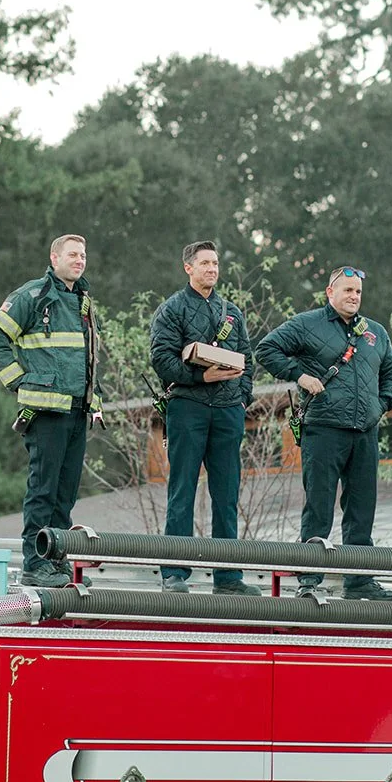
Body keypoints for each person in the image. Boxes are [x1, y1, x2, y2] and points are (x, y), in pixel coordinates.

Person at [255, 265, 392, 600]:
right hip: (323, 429)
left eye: (358, 292)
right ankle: (309, 580)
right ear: (330, 292)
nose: (354, 297)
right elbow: (266, 349)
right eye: (347, 290)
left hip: (364, 432)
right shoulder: (308, 324)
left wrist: (380, 405)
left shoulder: (375, 333)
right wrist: (299, 375)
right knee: (319, 506)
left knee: (362, 508)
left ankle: (360, 580)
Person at [0, 234, 101, 587]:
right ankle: (35, 564)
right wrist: (21, 382)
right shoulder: (31, 296)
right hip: (46, 412)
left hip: (77, 410)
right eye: (72, 255)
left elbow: (86, 356)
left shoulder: (82, 300)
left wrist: (94, 397)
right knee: (43, 491)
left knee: (66, 494)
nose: (79, 261)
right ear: (54, 257)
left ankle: (57, 561)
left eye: (83, 255)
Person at [149, 241, 259, 595]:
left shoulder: (232, 312)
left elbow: (247, 358)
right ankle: (175, 573)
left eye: (215, 263)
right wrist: (200, 377)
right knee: (182, 490)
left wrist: (242, 400)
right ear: (188, 268)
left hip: (228, 411)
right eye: (205, 264)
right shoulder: (171, 309)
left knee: (227, 495)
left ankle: (228, 578)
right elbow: (161, 360)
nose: (212, 269)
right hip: (188, 407)